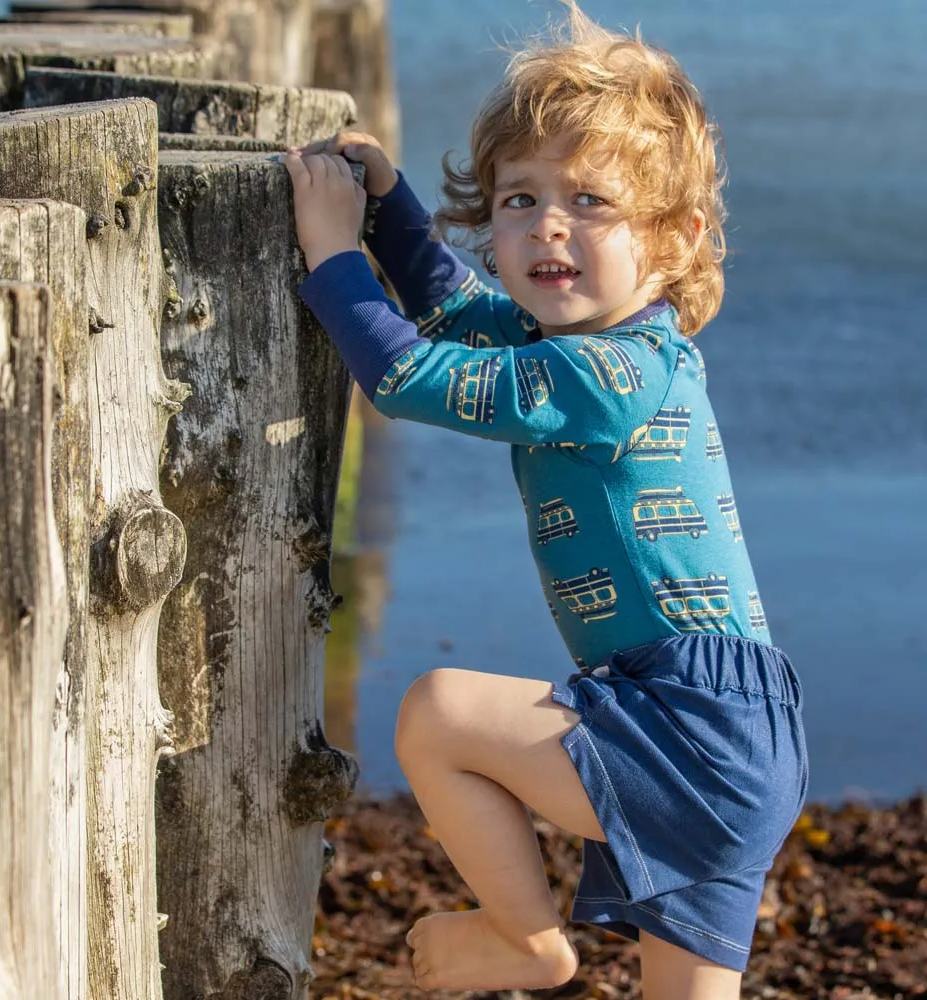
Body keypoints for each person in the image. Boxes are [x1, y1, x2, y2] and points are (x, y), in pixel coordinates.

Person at [284, 4, 808, 997]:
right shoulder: (586, 350)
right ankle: (524, 941)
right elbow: (457, 309)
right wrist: (392, 205)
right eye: (519, 198)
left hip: (684, 721)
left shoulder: (608, 377)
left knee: (438, 713)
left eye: (590, 201)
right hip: (740, 743)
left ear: (674, 238)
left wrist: (334, 254)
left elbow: (402, 374)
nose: (545, 224)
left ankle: (523, 941)